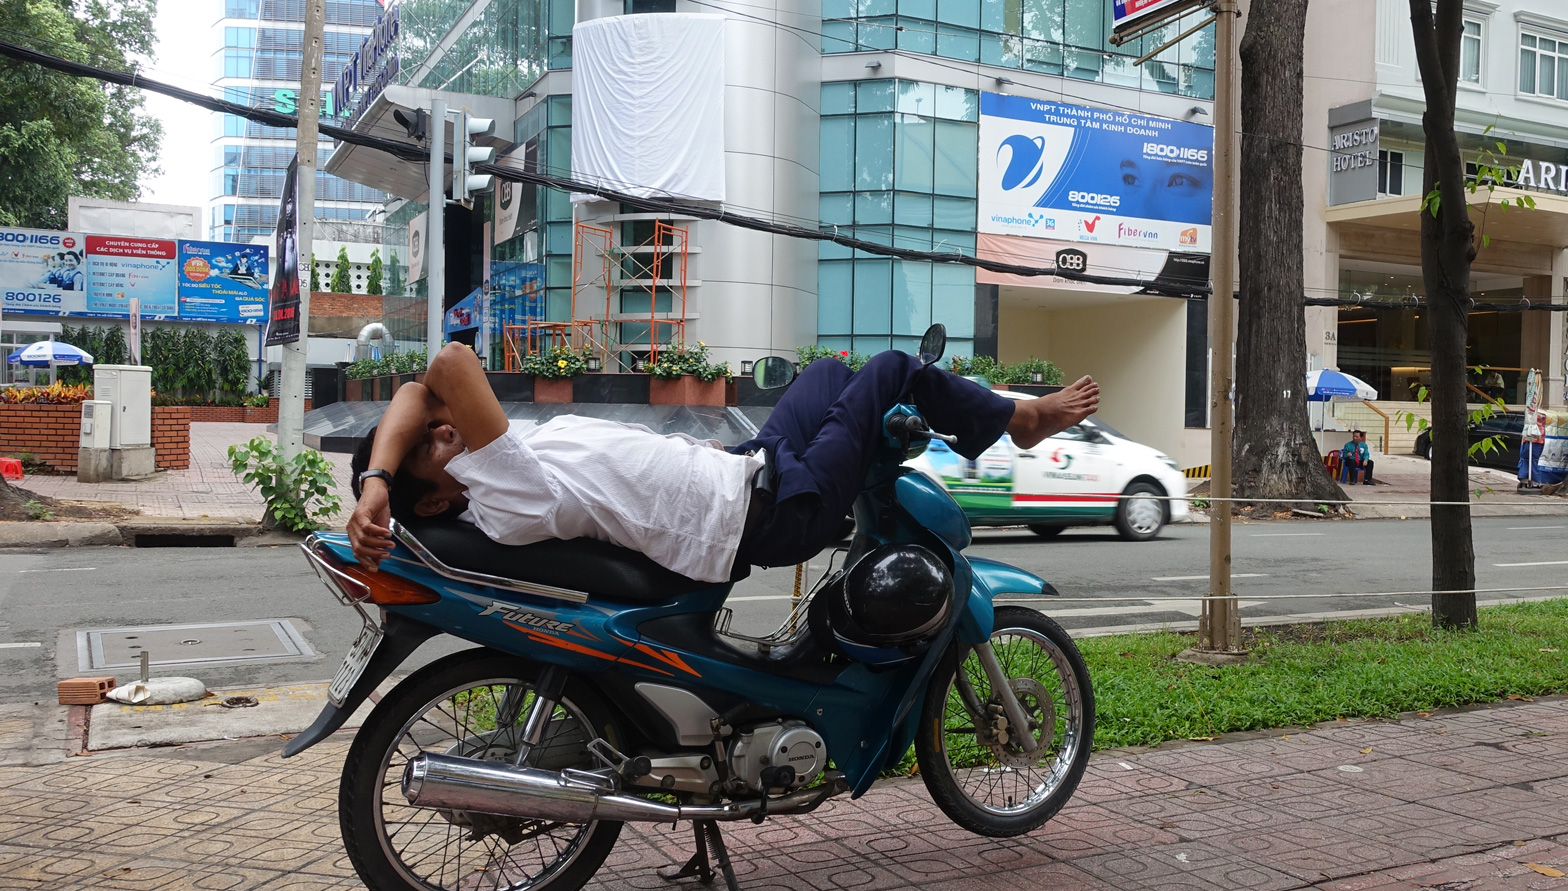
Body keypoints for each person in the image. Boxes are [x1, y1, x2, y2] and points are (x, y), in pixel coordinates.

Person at [345, 342, 1099, 582]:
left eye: (437, 428)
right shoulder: (498, 489)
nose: (442, 425)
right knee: (894, 367)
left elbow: (418, 390)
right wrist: (382, 477)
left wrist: (382, 479)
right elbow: (441, 368)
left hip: (746, 469)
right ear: (438, 500)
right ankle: (1018, 419)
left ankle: (1003, 418)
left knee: (833, 374)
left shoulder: (482, 470)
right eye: (431, 443)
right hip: (766, 512)